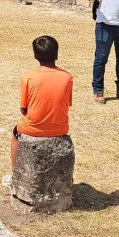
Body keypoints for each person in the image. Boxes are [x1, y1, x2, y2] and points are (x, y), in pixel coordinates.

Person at [11, 35, 73, 168]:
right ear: (56, 55)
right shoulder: (67, 77)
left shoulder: (28, 77)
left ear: (35, 55)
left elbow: (24, 109)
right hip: (60, 127)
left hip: (32, 128)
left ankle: (15, 171)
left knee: (15, 133)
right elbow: (66, 103)